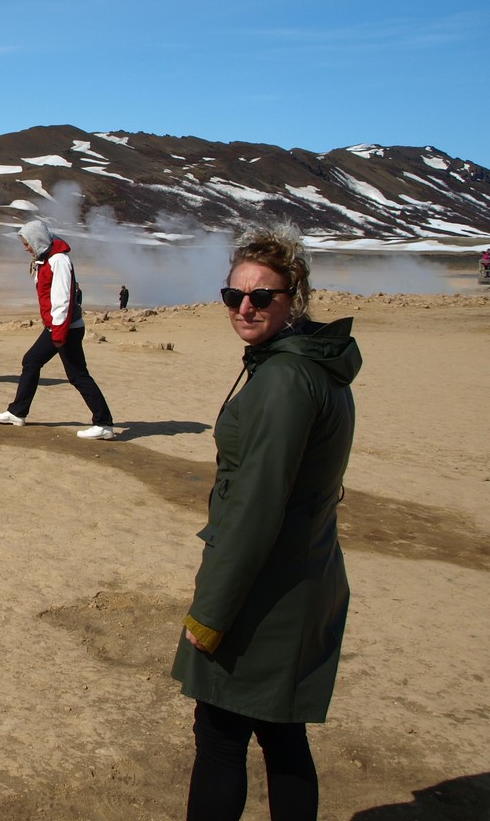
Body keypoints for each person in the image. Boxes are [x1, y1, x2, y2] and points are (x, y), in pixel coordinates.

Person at [172, 223, 362, 821]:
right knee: (281, 731)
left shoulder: (285, 379)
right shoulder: (305, 363)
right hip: (303, 571)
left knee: (223, 735)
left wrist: (211, 613)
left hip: (266, 587)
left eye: (262, 296)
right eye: (234, 296)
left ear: (294, 299)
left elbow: (257, 507)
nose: (245, 307)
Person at [0, 219, 115, 438]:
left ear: (37, 240)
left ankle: (103, 423)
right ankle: (17, 412)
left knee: (77, 374)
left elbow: (62, 299)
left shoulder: (58, 260)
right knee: (31, 361)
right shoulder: (45, 259)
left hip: (65, 328)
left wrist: (58, 332)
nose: (25, 247)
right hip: (56, 327)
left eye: (27, 242)